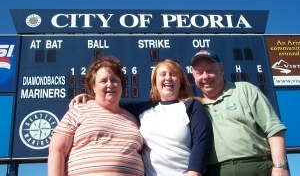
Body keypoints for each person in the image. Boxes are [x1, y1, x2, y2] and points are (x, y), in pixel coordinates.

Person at [70, 59, 213, 176]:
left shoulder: (193, 106)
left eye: (173, 74)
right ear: (155, 82)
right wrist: (90, 98)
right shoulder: (141, 110)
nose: (168, 78)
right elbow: (110, 101)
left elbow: (201, 144)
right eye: (162, 74)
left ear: (181, 81)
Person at [191, 48, 289, 176]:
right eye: (199, 73)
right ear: (194, 76)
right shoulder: (196, 106)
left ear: (221, 70)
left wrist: (280, 166)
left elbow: (274, 129)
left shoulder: (245, 90)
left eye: (210, 71)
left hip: (257, 166)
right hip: (215, 171)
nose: (205, 77)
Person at [48, 56, 144, 176]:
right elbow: (57, 150)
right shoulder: (79, 109)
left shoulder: (134, 118)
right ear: (93, 86)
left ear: (121, 85)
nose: (110, 84)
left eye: (114, 80)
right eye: (103, 81)